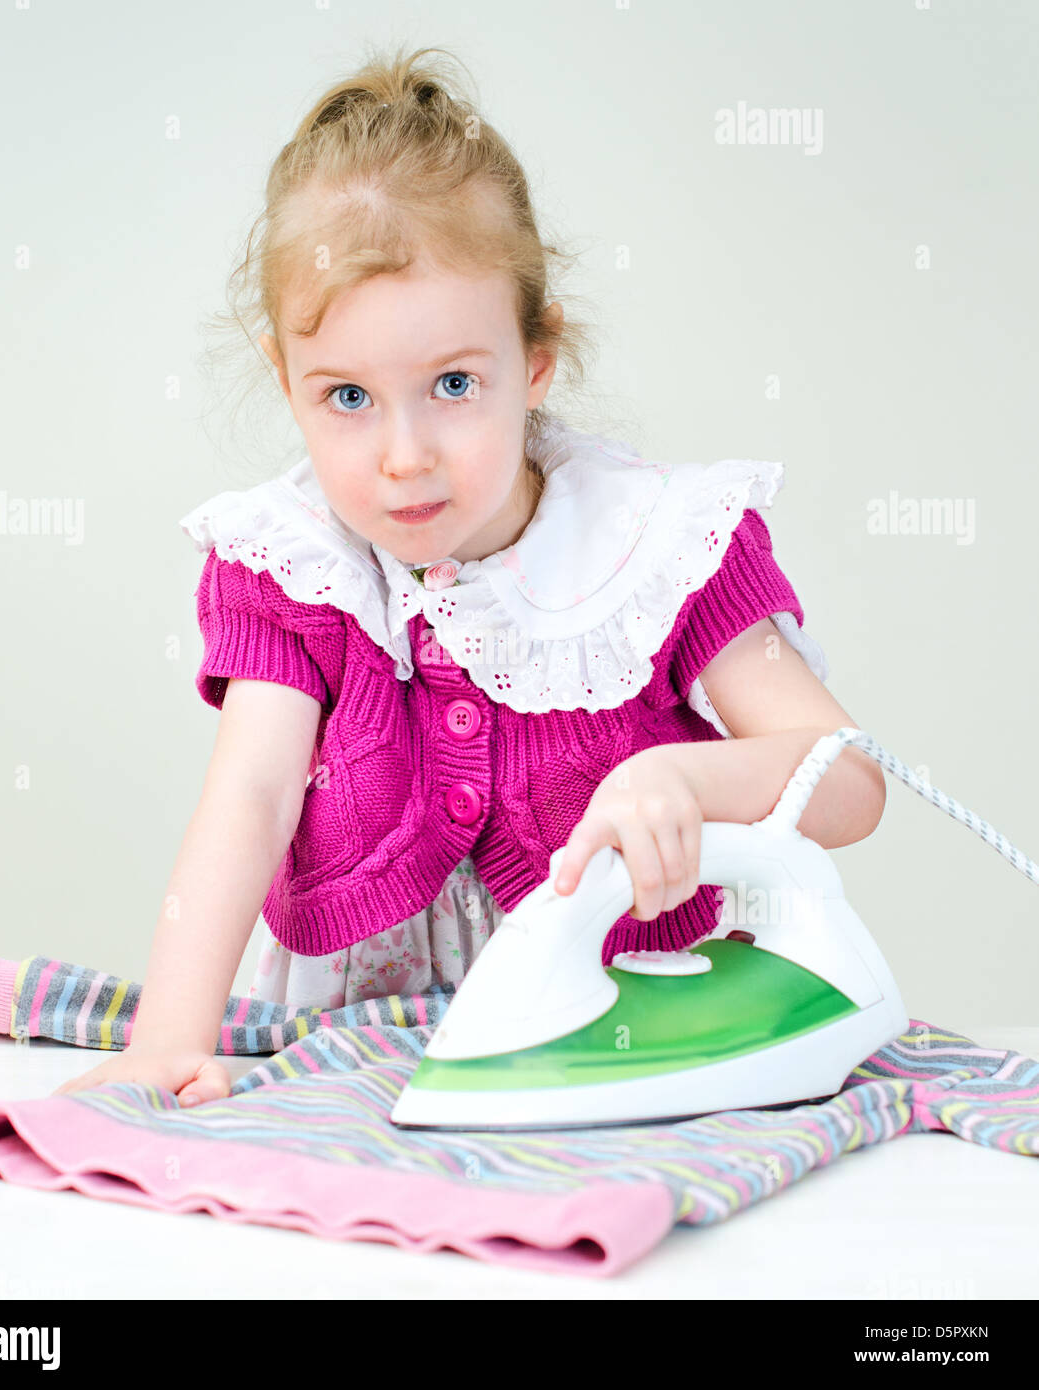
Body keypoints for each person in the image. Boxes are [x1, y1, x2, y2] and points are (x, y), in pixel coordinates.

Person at [55, 43, 885, 1107]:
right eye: (346, 397)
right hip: (348, 1047)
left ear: (534, 359)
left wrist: (684, 780)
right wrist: (171, 1036)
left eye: (452, 383)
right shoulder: (290, 569)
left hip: (613, 1028)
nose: (403, 456)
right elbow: (251, 797)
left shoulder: (666, 545)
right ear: (285, 379)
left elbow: (846, 778)